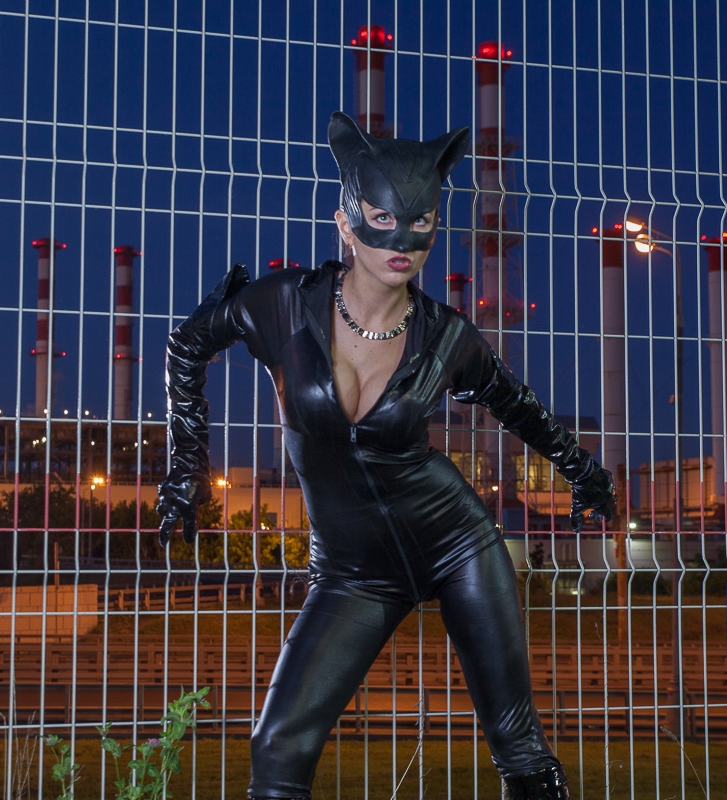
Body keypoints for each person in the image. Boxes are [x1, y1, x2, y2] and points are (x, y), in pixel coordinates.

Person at [156, 111, 616, 800]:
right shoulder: (282, 305)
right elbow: (187, 345)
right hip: (352, 573)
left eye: (420, 222)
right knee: (278, 749)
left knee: (519, 747)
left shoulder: (445, 335)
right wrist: (187, 468)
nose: (401, 240)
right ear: (345, 224)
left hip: (458, 545)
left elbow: (516, 404)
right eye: (381, 218)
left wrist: (582, 469)